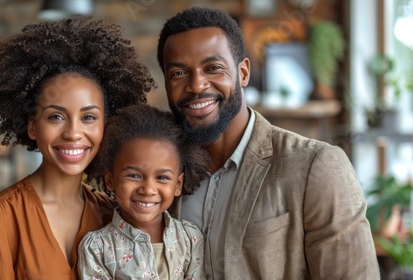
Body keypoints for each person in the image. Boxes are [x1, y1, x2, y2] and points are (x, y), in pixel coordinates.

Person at [157, 6, 381, 279]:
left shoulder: (315, 166)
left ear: (243, 73)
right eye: (179, 73)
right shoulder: (161, 170)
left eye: (213, 68)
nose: (197, 85)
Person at [0, 16, 155, 279]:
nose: (73, 133)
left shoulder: (113, 215)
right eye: (56, 116)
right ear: (32, 126)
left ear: (107, 126)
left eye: (88, 117)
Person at [78, 104, 208, 279]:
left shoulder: (190, 239)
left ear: (178, 185)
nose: (147, 189)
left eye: (162, 178)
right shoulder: (97, 248)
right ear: (110, 180)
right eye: (134, 176)